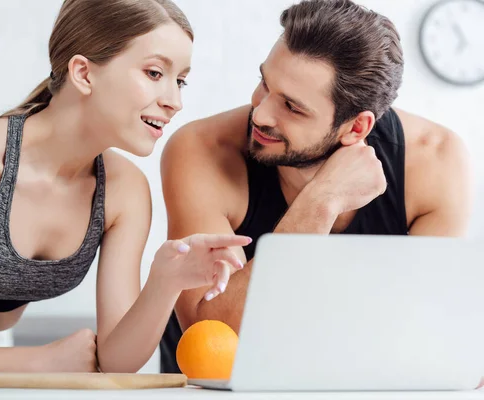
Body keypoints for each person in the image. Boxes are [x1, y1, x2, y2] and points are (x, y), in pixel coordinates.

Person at [0, 0, 252, 373]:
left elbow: (116, 361)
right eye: (155, 73)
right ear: (83, 73)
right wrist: (35, 361)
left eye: (180, 80)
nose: (175, 102)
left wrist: (165, 282)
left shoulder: (124, 191)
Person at [159, 0, 473, 373]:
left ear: (356, 128)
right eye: (264, 83)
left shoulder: (435, 160)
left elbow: (421, 330)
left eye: (292, 107)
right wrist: (320, 203)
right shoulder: (202, 150)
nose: (259, 113)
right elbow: (210, 338)